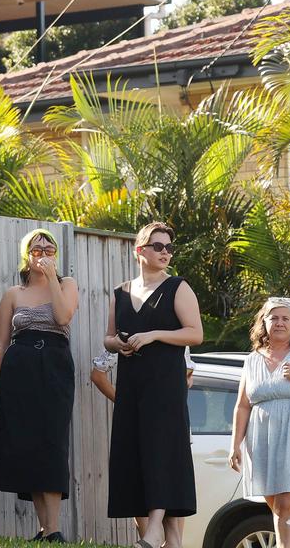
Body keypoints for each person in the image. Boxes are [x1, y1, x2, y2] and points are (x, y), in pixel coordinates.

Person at [105, 222, 202, 548]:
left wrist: (155, 335)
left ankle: (155, 527)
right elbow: (108, 337)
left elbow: (195, 333)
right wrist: (118, 344)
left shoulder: (178, 287)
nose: (165, 252)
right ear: (139, 251)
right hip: (132, 385)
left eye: (169, 247)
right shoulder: (120, 292)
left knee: (161, 454)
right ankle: (166, 539)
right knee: (136, 454)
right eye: (157, 246)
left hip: (165, 386)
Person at [0, 229, 79, 542]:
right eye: (36, 248)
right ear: (26, 256)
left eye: (49, 248)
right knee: (27, 446)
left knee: (51, 444)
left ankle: (54, 528)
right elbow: (1, 346)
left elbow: (63, 315)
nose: (43, 252)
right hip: (19, 370)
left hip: (54, 366)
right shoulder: (12, 294)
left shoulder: (67, 284)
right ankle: (44, 528)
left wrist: (53, 278)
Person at [230, 297, 290, 548]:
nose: (280, 323)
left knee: (288, 507)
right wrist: (235, 445)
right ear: (264, 321)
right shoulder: (252, 360)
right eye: (274, 317)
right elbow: (242, 405)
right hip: (261, 440)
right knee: (277, 509)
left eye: (286, 318)